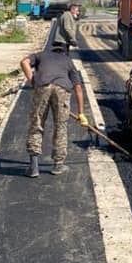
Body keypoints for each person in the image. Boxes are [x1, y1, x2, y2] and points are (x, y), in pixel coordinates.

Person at [20, 40, 89, 177]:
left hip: (42, 87)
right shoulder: (68, 61)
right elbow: (78, 88)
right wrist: (81, 113)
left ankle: (34, 168)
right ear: (65, 51)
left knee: (37, 124)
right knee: (60, 127)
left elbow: (24, 62)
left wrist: (32, 81)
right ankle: (58, 165)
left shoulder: (41, 55)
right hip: (62, 90)